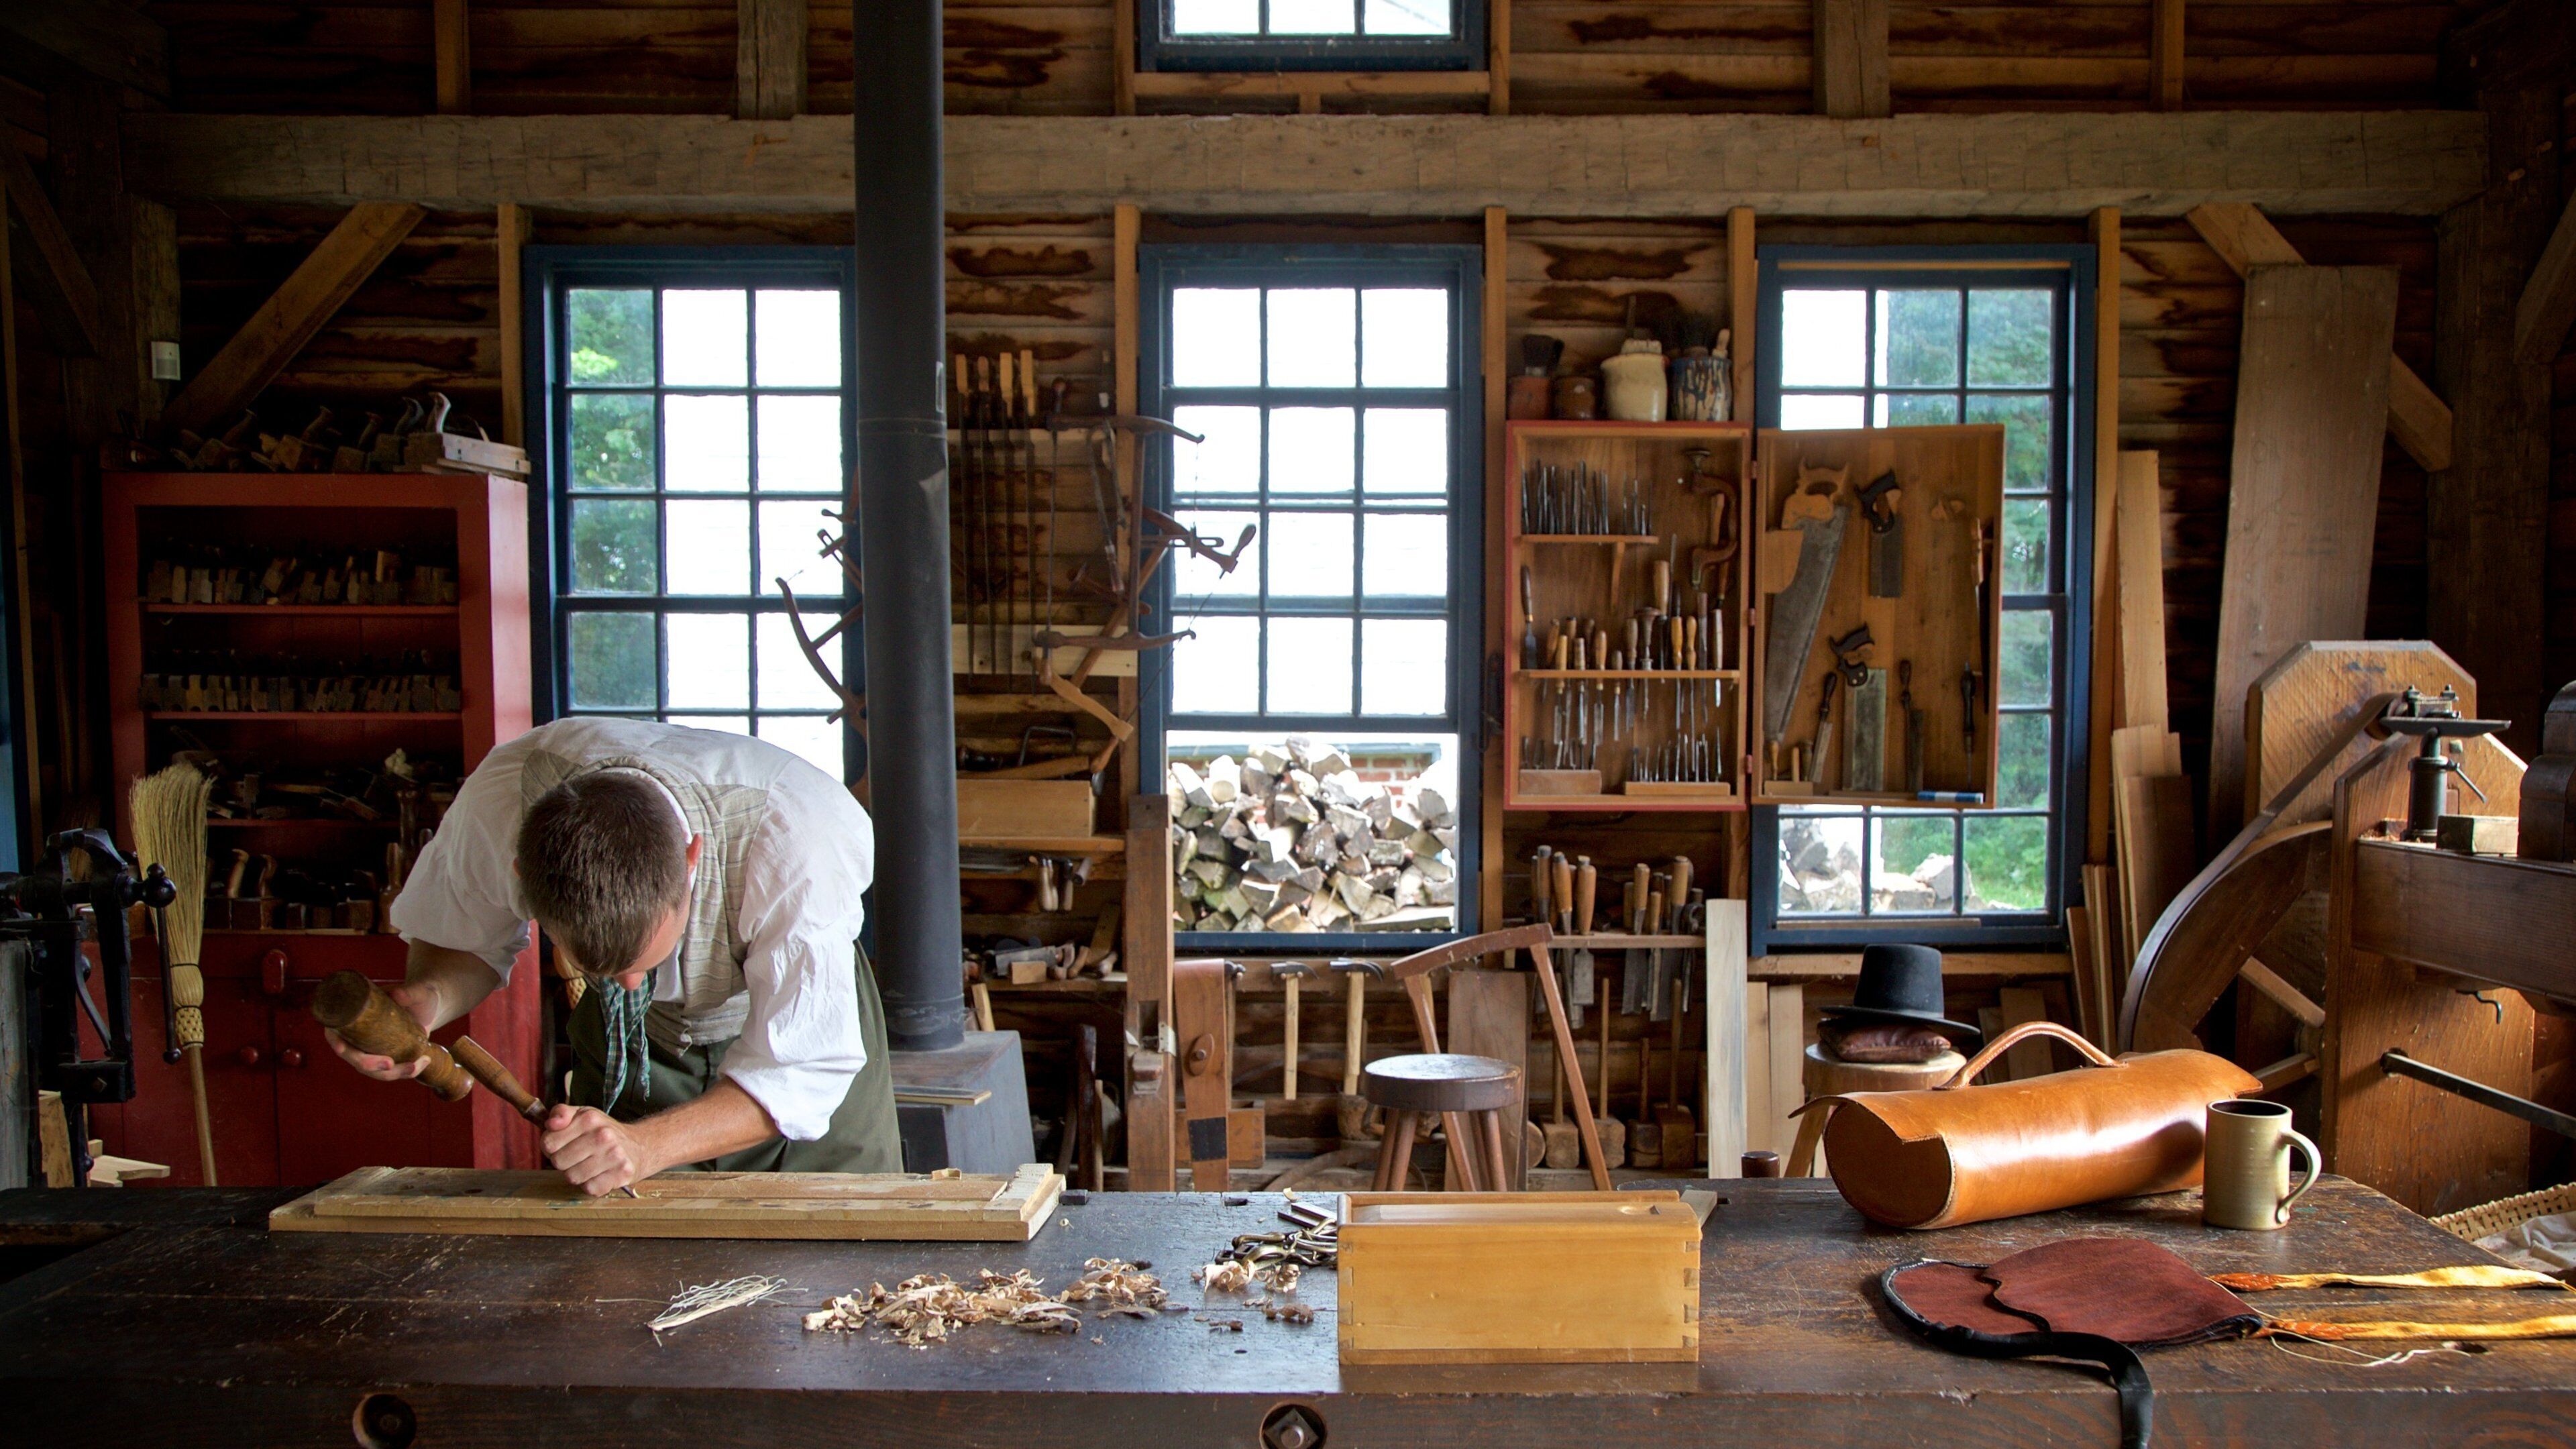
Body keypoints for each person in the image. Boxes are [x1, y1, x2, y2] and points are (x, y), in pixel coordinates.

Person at [323, 717, 898, 1194]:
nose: (629, 986)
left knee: (845, 1246)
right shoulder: (502, 805)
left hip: (801, 1022)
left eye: (641, 960)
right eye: (602, 967)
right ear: (522, 880)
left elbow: (796, 1071)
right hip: (632, 1045)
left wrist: (646, 1144)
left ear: (692, 859)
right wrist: (429, 1001)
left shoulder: (798, 842)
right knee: (626, 1268)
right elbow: (464, 939)